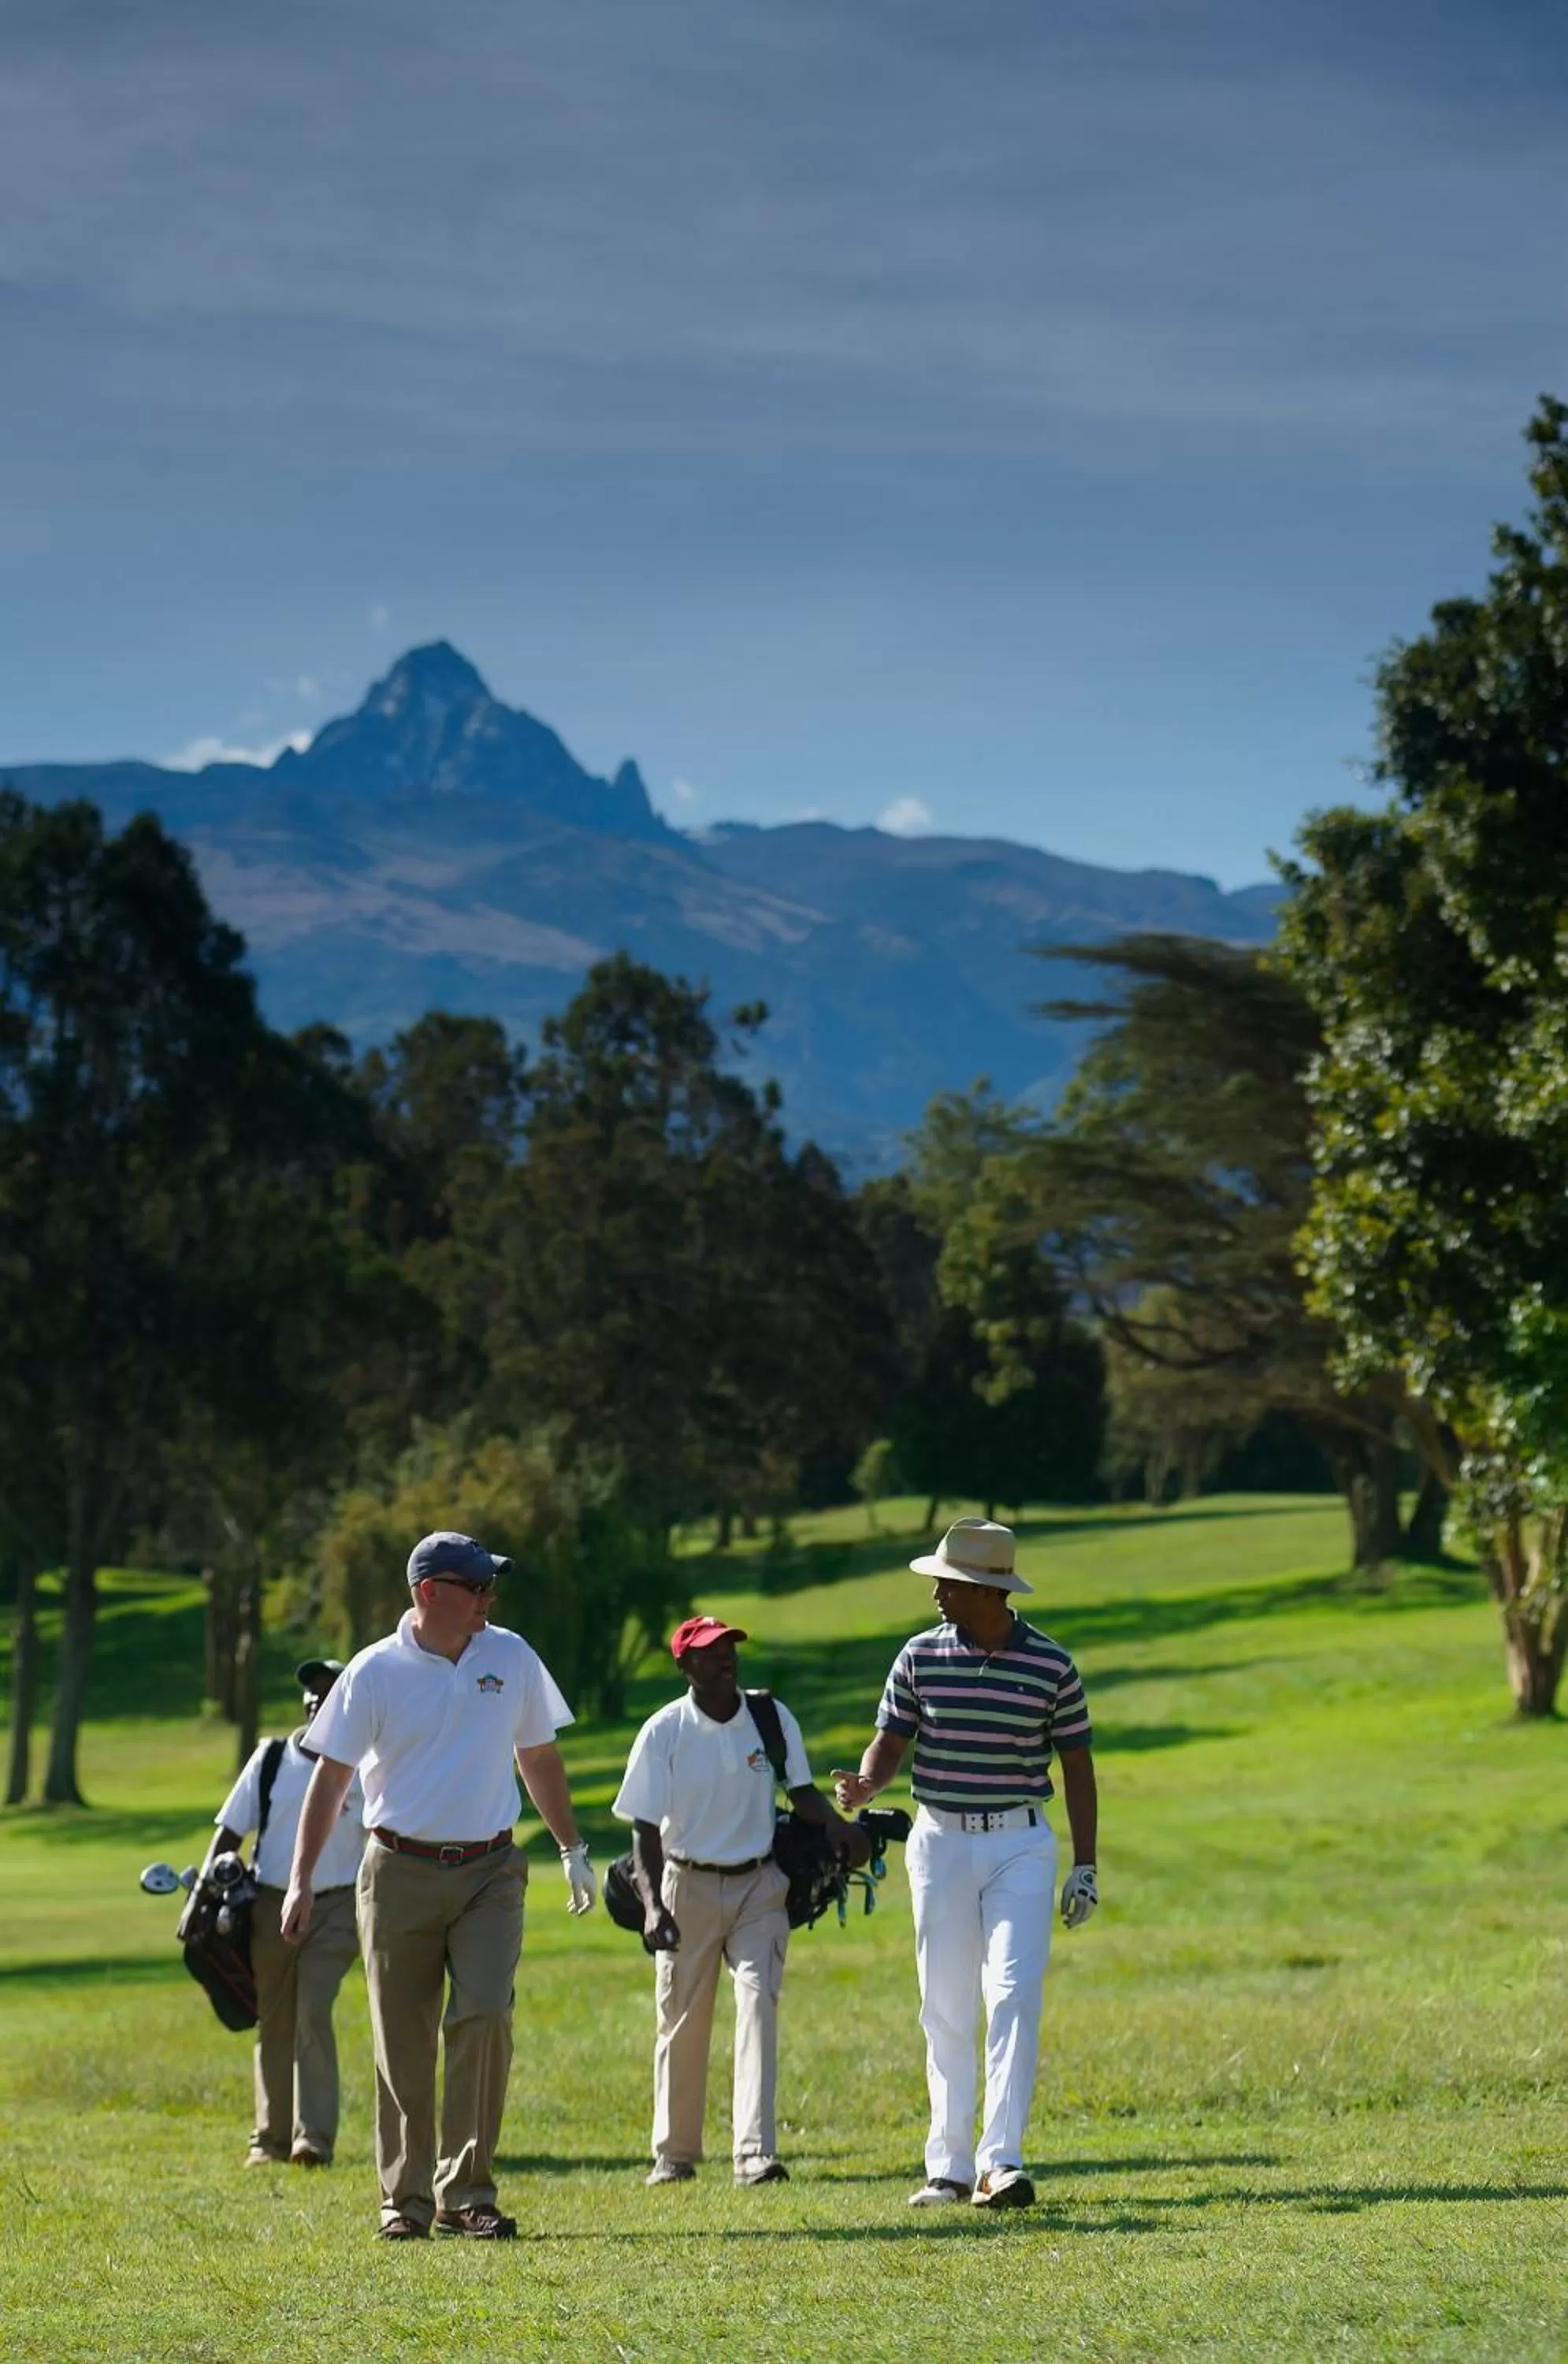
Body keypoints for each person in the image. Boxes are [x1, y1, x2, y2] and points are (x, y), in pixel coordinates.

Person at [281, 1530, 597, 2241]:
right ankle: (406, 2202)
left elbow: (537, 1753)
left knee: (485, 2016)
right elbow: (329, 1780)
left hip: (491, 1869)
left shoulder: (510, 1655)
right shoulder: (372, 1672)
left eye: (492, 1586)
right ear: (430, 1593)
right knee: (403, 2040)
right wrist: (300, 1881)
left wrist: (571, 1845)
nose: (490, 1597)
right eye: (477, 1586)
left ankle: (468, 2193)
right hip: (397, 1872)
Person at [833, 1518, 1098, 2211]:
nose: (937, 1596)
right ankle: (947, 2168)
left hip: (1020, 1844)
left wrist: (1086, 1865)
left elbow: (1077, 1768)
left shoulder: (1051, 1665)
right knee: (944, 2005)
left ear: (988, 1591)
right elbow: (890, 1742)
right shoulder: (919, 1656)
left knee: (1012, 1994)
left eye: (948, 1585)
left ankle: (999, 2163)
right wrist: (867, 1785)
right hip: (941, 1840)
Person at [613, 1614, 865, 2189]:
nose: (724, 1660)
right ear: (684, 1666)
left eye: (729, 1650)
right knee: (681, 2022)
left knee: (759, 2007)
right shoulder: (664, 1731)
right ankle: (674, 2156)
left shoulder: (770, 1718)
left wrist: (841, 1830)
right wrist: (653, 1906)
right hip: (686, 1884)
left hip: (759, 1883)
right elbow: (644, 1830)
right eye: (708, 1653)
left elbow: (800, 1793)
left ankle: (754, 2155)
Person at [203, 1657, 366, 2169]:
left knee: (312, 2010)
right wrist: (205, 1891)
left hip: (339, 1903)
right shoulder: (271, 1758)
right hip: (272, 1903)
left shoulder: (368, 1764)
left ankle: (312, 2139)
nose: (318, 1699)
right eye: (311, 1693)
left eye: (329, 1691)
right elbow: (231, 1831)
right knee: (274, 2018)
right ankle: (269, 2141)